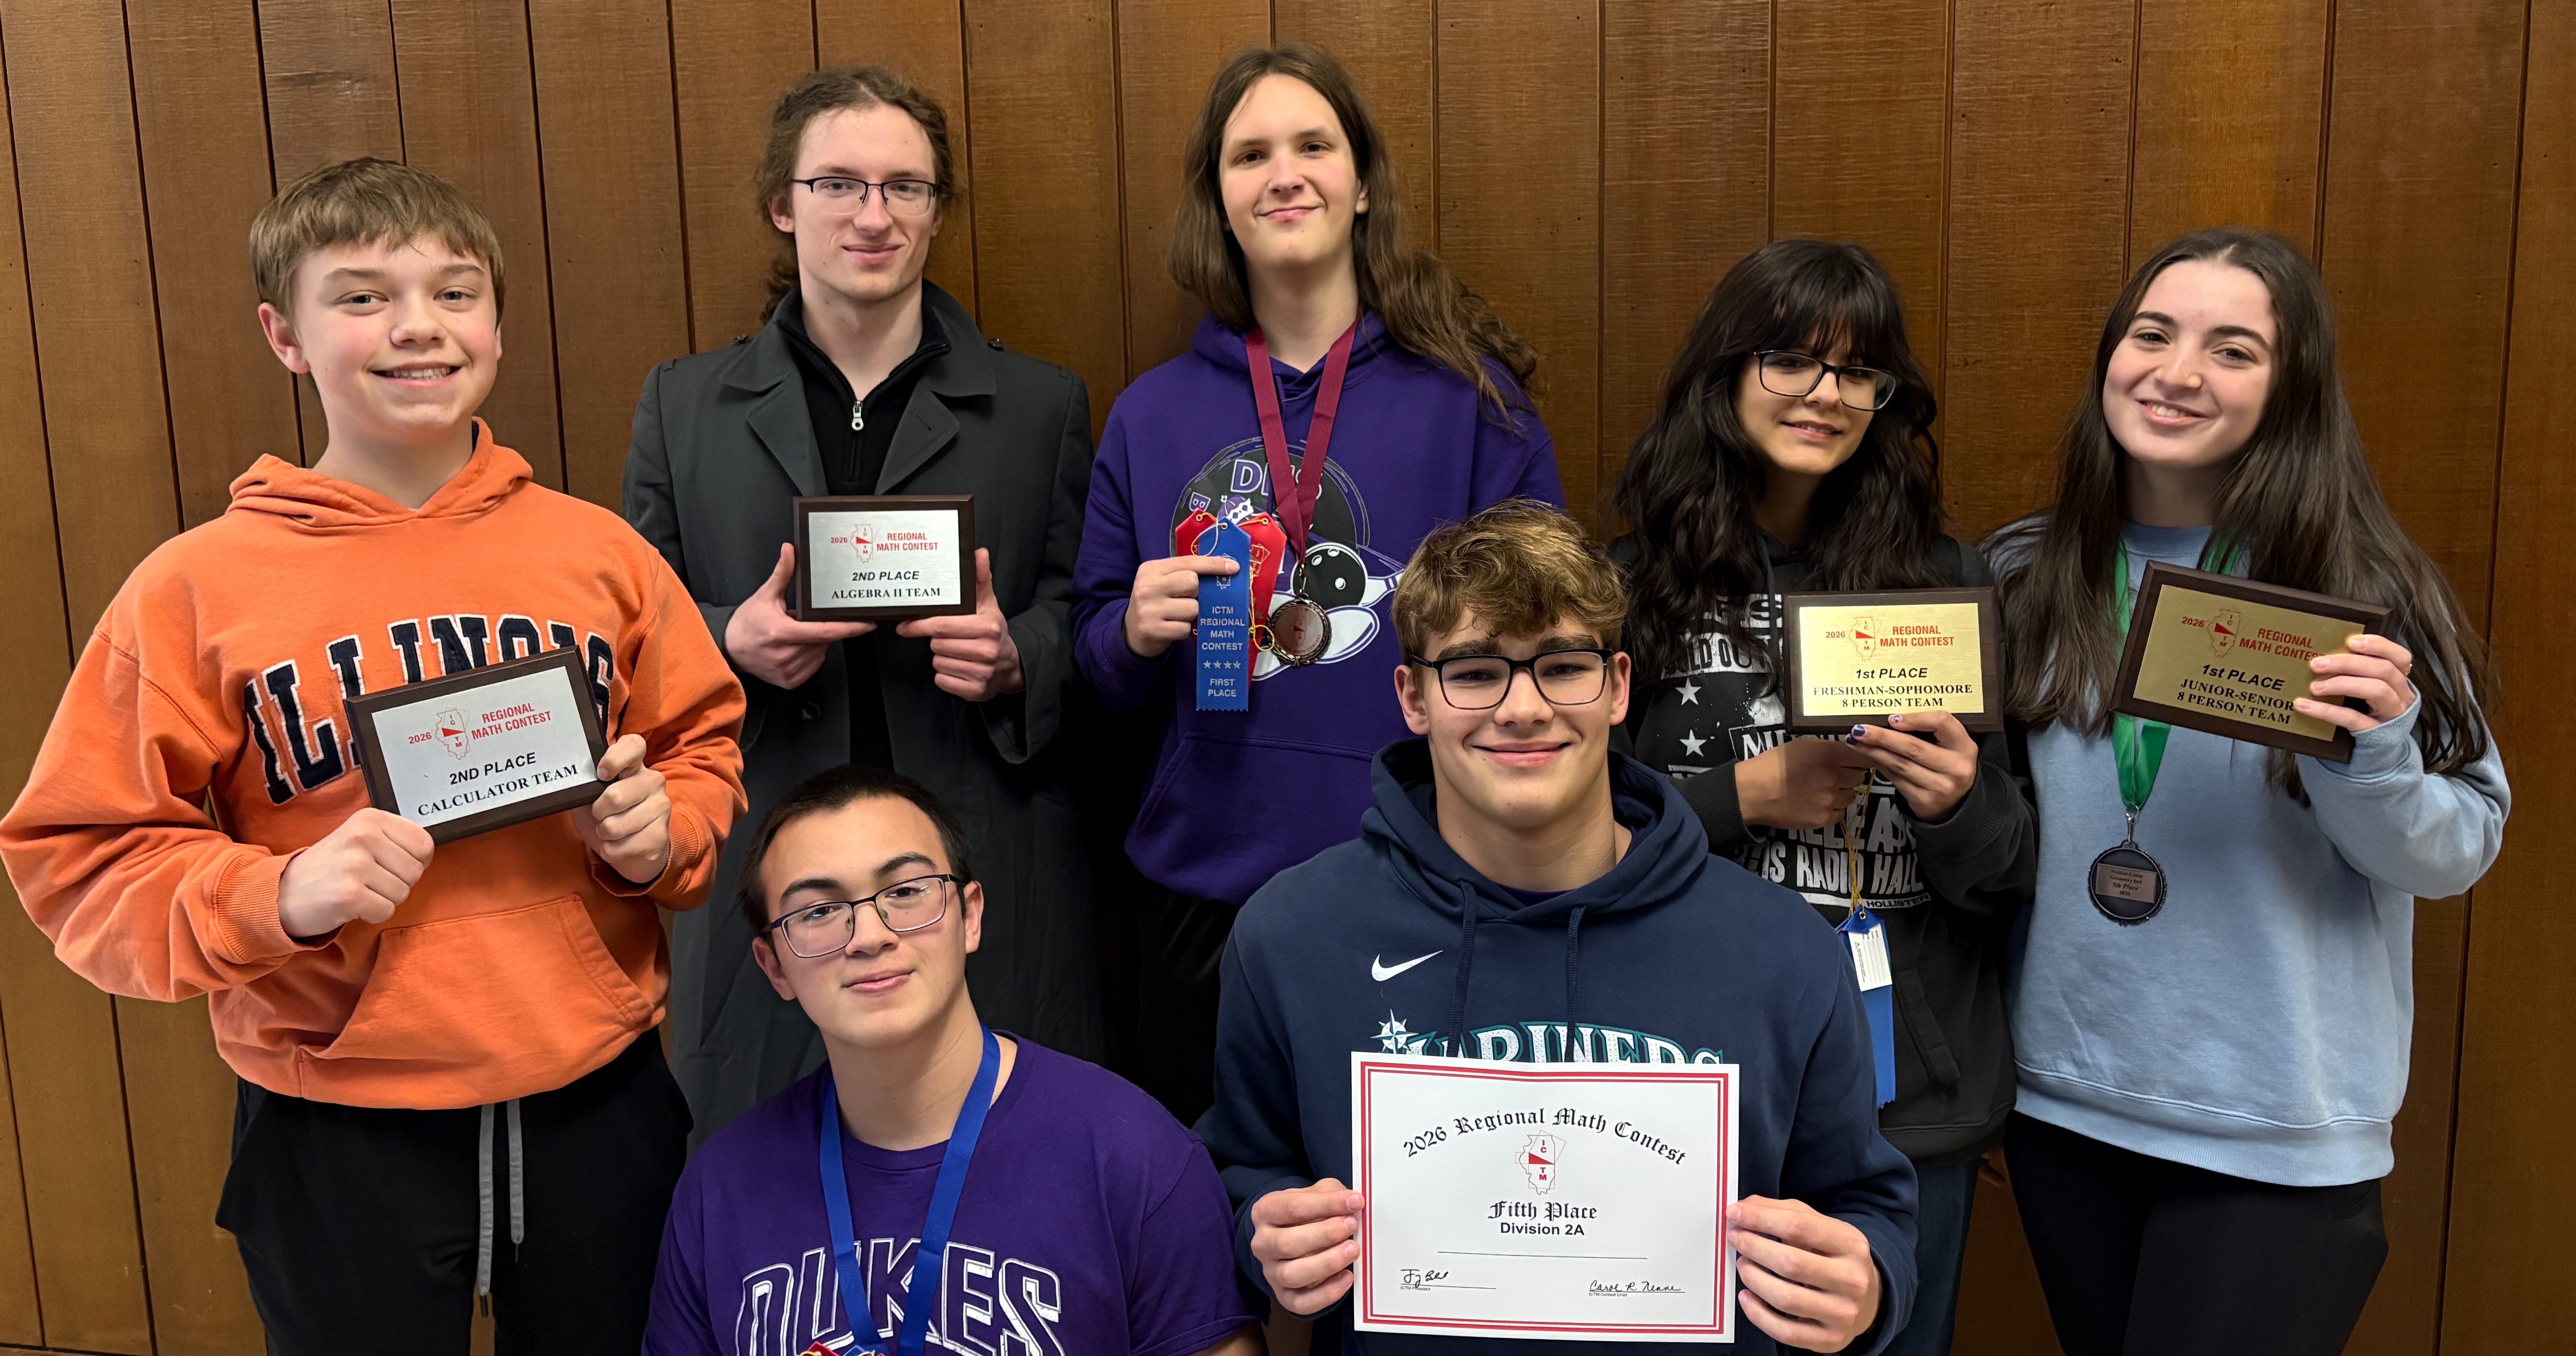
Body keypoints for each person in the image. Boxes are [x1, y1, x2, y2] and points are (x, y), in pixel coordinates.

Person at [0, 158, 746, 1352]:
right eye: (359, 296)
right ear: (283, 334)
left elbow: (700, 741)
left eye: (455, 292)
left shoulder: (598, 554)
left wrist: (669, 833)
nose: (417, 327)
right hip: (335, 1122)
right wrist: (276, 892)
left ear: (496, 321)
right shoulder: (192, 589)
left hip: (597, 1099)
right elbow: (78, 854)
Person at [1201, 502, 1918, 1354]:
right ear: (1413, 696)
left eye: (1562, 667)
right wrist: (1263, 1239)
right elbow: (1237, 1176)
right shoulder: (1291, 935)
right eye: (1474, 672)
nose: (1523, 709)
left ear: (1617, 686)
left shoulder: (1780, 945)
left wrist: (1867, 1285)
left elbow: (1866, 1207)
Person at [1986, 228, 2508, 1356]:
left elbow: (2455, 850)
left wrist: (2371, 753)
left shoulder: (2358, 598)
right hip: (2063, 1109)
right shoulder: (2022, 573)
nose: (2177, 373)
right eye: (2153, 334)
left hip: (2276, 1136)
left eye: (2233, 350)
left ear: (2293, 388)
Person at [1072, 42, 1563, 1123]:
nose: (1284, 173)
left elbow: (1549, 633)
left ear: (1363, 183)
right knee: (1209, 1235)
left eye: (1313, 145)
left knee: (1405, 1232)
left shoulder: (1472, 403)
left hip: (1425, 879)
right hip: (1204, 883)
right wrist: (1134, 632)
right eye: (1250, 154)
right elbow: (1093, 660)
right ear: (1219, 199)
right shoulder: (1150, 413)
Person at [626, 67, 1105, 1144]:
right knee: (763, 1162)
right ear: (781, 204)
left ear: (937, 213)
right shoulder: (683, 404)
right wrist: (727, 640)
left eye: (905, 187)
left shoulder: (1040, 405)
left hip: (984, 840)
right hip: (763, 843)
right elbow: (632, 632)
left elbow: (1090, 613)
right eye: (839, 184)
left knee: (1012, 1164)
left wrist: (1018, 653)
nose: (873, 215)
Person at [1608, 239, 2033, 1356]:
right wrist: (1738, 794)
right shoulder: (1628, 582)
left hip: (1909, 1093)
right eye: (1792, 359)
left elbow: (2013, 866)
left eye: (1859, 372)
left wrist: (1955, 803)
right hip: (1690, 1077)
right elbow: (1569, 832)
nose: (1827, 395)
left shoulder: (1947, 582)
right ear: (1726, 372)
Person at [646, 764, 1263, 1356]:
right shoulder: (718, 1190)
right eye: (819, 911)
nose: (869, 936)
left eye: (908, 891)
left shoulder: (1136, 1156)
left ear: (970, 915)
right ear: (774, 965)